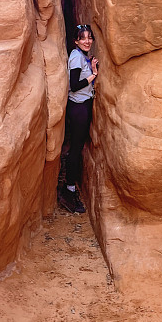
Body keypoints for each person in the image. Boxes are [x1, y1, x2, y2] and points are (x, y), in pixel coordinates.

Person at [61, 24, 98, 214]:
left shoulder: (81, 55)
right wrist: (93, 75)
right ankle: (68, 189)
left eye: (89, 37)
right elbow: (74, 85)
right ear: (76, 41)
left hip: (82, 105)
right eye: (83, 38)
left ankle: (70, 186)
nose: (87, 41)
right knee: (75, 149)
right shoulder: (75, 57)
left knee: (77, 146)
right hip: (78, 107)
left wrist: (90, 65)